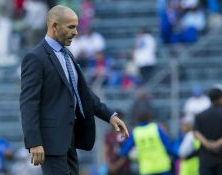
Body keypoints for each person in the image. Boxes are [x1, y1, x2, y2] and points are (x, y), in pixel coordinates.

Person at [19, 5, 129, 175]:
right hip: (50, 143)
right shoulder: (35, 58)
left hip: (69, 140)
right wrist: (34, 142)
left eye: (76, 27)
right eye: (71, 27)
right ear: (54, 26)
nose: (76, 32)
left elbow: (83, 94)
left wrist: (110, 116)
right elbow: (28, 103)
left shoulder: (68, 55)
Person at [119, 111, 174, 175]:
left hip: (147, 169)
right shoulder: (156, 128)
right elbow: (169, 147)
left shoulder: (136, 132)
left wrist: (135, 157)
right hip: (163, 168)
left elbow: (124, 151)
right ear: (150, 119)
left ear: (138, 120)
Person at [194, 85, 222, 175]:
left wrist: (208, 144)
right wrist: (217, 143)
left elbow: (196, 133)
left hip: (206, 157)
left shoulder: (200, 115)